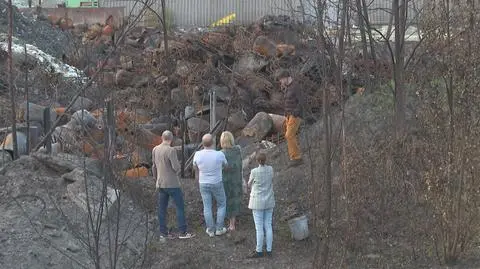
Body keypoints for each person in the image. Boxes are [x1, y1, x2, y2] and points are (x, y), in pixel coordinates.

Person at [152, 130, 195, 240]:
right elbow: (176, 167)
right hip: (172, 184)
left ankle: (163, 233)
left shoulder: (155, 149)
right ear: (171, 139)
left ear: (162, 138)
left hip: (160, 183)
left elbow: (154, 167)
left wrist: (156, 178)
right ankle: (183, 232)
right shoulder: (171, 150)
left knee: (162, 209)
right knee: (179, 207)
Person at [193, 133, 228, 237]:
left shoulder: (197, 154)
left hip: (203, 183)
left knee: (207, 206)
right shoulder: (219, 154)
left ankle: (210, 230)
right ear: (213, 142)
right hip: (217, 182)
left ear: (202, 143)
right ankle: (219, 228)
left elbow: (195, 167)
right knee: (221, 204)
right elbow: (226, 166)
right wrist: (220, 169)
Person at [247, 152, 275, 258]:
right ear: (265, 160)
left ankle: (258, 250)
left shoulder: (254, 171)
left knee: (259, 228)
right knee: (268, 225)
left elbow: (249, 184)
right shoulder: (270, 169)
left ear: (257, 161)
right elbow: (272, 180)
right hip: (269, 201)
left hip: (257, 202)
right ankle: (269, 250)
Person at [276, 69, 304, 167]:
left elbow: (302, 101)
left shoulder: (296, 87)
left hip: (295, 115)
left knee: (289, 135)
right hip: (288, 115)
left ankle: (296, 157)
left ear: (286, 78)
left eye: (281, 79)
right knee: (289, 135)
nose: (280, 82)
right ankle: (293, 157)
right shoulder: (288, 87)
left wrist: (295, 113)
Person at [220, 131, 243, 231]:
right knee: (236, 198)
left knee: (228, 200)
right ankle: (235, 219)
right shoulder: (238, 149)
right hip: (237, 178)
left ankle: (231, 224)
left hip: (226, 180)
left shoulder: (221, 153)